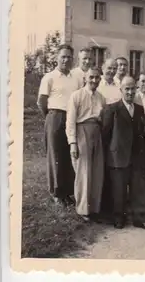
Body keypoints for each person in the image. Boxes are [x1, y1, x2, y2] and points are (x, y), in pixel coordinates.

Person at [100, 76, 145, 231]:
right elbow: (105, 134)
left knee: (139, 188)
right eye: (127, 89)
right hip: (118, 156)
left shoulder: (139, 109)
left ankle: (140, 218)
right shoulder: (111, 109)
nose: (130, 92)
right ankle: (119, 217)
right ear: (121, 90)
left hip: (136, 155)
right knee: (119, 189)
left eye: (133, 88)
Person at [37, 44, 83, 207]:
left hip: (72, 118)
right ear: (57, 58)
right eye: (63, 56)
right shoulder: (49, 77)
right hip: (55, 116)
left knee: (68, 154)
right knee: (55, 155)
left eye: (69, 57)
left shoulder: (76, 78)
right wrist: (51, 117)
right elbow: (41, 102)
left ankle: (67, 192)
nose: (66, 60)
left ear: (73, 59)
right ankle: (56, 192)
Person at [66, 67, 106, 222]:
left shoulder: (101, 98)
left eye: (97, 78)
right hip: (82, 131)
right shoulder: (76, 96)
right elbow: (70, 122)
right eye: (91, 77)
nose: (94, 80)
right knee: (84, 171)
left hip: (97, 132)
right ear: (85, 78)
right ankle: (83, 209)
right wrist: (73, 143)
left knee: (97, 171)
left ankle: (94, 208)